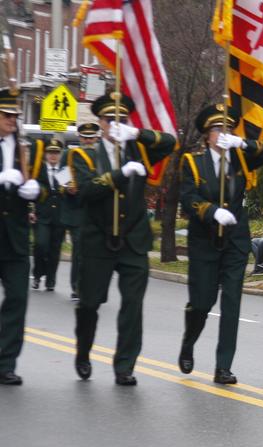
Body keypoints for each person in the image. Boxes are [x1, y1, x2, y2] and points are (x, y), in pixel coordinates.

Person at [69, 92, 176, 386]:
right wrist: (119, 174)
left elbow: (169, 142)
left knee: (132, 304)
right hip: (98, 240)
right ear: (100, 123)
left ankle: (124, 366)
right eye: (110, 119)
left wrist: (136, 133)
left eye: (121, 119)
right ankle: (83, 352)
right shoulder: (84, 155)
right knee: (89, 303)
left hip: (133, 240)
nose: (115, 124)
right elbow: (87, 192)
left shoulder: (138, 151)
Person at [178, 104, 263, 384]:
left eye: (227, 129)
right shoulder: (193, 162)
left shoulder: (240, 160)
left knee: (231, 303)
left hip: (235, 241)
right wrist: (210, 211)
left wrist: (241, 142)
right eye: (217, 129)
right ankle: (189, 341)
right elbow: (188, 197)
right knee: (202, 302)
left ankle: (223, 366)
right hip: (205, 241)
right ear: (206, 135)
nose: (223, 134)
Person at [0, 88, 41, 386]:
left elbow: (49, 184)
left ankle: (5, 363)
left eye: (15, 116)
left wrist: (36, 192)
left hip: (14, 237)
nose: (11, 121)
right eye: (6, 115)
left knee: (17, 299)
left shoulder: (26, 149)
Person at [62, 122, 101, 301]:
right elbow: (61, 177)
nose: (87, 140)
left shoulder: (101, 157)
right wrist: (68, 187)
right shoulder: (70, 154)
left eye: (90, 137)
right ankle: (77, 287)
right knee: (79, 250)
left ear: (96, 138)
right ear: (79, 138)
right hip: (77, 209)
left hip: (97, 211)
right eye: (84, 137)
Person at [31, 138, 66, 292]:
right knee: (40, 245)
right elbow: (31, 192)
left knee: (55, 250)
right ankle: (38, 275)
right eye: (50, 152)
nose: (53, 156)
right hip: (42, 216)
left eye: (56, 153)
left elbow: (68, 195)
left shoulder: (64, 171)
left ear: (60, 154)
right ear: (45, 154)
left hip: (59, 217)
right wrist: (30, 210)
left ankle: (50, 280)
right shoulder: (38, 170)